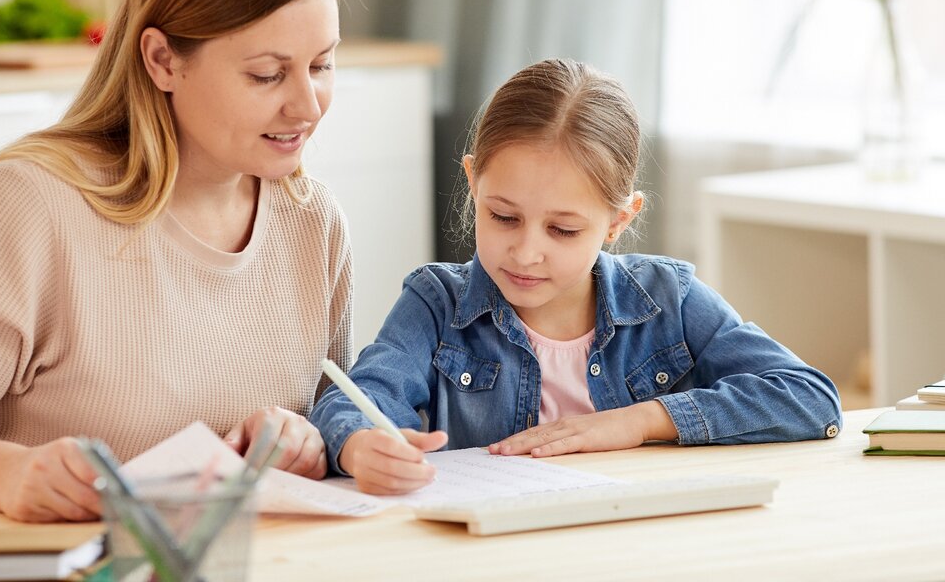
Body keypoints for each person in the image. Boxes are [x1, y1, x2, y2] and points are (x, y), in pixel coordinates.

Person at [0, 0, 352, 521]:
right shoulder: (26, 209)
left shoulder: (312, 221)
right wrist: (10, 476)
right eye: (267, 74)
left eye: (321, 65)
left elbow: (339, 416)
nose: (308, 106)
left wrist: (308, 441)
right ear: (162, 60)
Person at [311, 58, 842, 494]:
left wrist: (637, 421)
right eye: (503, 217)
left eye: (562, 230)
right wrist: (361, 446)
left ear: (618, 221)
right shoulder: (436, 303)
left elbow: (807, 397)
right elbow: (355, 399)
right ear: (473, 182)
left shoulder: (668, 299)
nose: (525, 252)